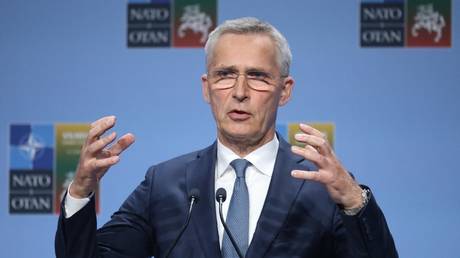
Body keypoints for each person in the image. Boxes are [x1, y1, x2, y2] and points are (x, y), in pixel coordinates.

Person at [55, 17, 398, 258]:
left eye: (258, 77)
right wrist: (81, 192)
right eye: (225, 75)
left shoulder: (322, 186)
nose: (239, 92)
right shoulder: (165, 183)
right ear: (207, 88)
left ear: (285, 91)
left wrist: (354, 202)